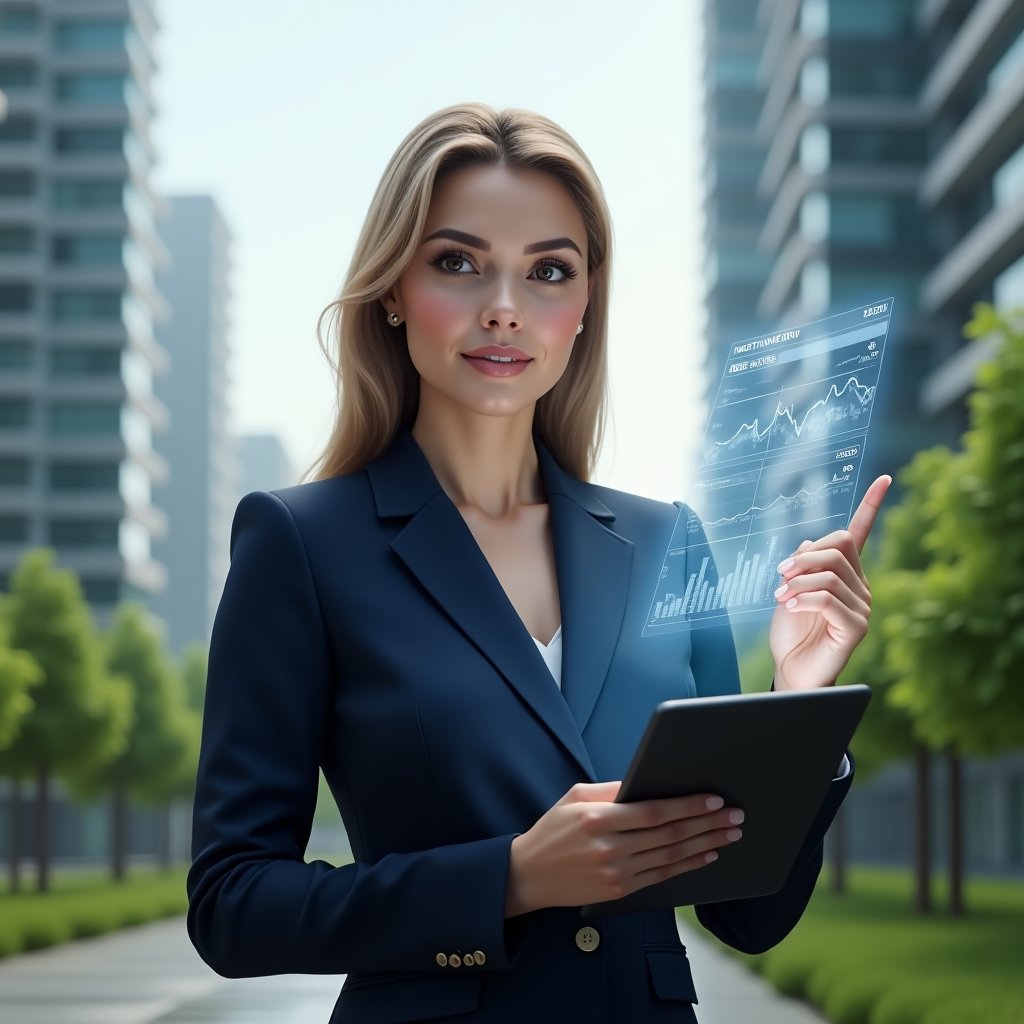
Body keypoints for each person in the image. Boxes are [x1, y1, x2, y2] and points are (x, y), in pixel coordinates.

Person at [186, 102, 890, 1023]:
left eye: (548, 271)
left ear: (586, 303)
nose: (504, 308)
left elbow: (747, 915)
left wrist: (797, 707)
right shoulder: (302, 541)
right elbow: (233, 903)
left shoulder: (667, 542)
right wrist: (510, 879)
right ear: (392, 288)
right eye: (457, 262)